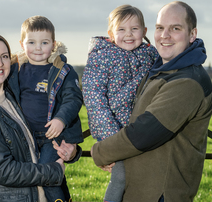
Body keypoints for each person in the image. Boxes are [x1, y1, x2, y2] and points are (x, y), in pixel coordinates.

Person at [91, 1, 212, 202]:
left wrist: (99, 152)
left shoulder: (188, 81)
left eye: (175, 28)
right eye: (160, 28)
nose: (164, 35)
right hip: (140, 190)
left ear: (192, 34)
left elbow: (144, 133)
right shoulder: (162, 70)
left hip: (160, 193)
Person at [0, 31, 78, 202]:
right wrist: (53, 171)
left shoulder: (16, 96)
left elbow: (39, 138)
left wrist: (71, 152)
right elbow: (4, 171)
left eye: (4, 56)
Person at [82, 4, 158, 202]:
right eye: (121, 29)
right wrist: (111, 140)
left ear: (144, 31)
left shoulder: (150, 55)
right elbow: (94, 99)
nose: (129, 34)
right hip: (115, 133)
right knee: (121, 176)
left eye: (134, 29)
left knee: (146, 178)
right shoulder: (102, 57)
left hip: (143, 131)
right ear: (110, 33)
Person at [8, 15, 83, 202]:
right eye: (31, 42)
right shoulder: (15, 70)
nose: (38, 48)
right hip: (26, 137)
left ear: (54, 44)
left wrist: (61, 119)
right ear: (22, 43)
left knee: (48, 172)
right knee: (28, 178)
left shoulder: (62, 70)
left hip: (53, 136)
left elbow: (73, 98)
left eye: (44, 42)